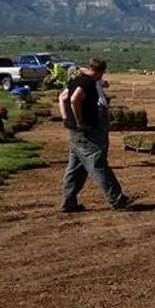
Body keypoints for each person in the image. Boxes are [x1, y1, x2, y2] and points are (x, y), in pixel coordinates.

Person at [59, 58, 133, 212]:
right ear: (100, 71)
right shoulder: (88, 82)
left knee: (75, 168)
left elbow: (62, 97)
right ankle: (117, 199)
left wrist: (66, 119)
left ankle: (68, 202)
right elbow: (74, 99)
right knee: (98, 164)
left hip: (74, 133)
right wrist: (80, 121)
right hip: (87, 131)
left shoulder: (76, 79)